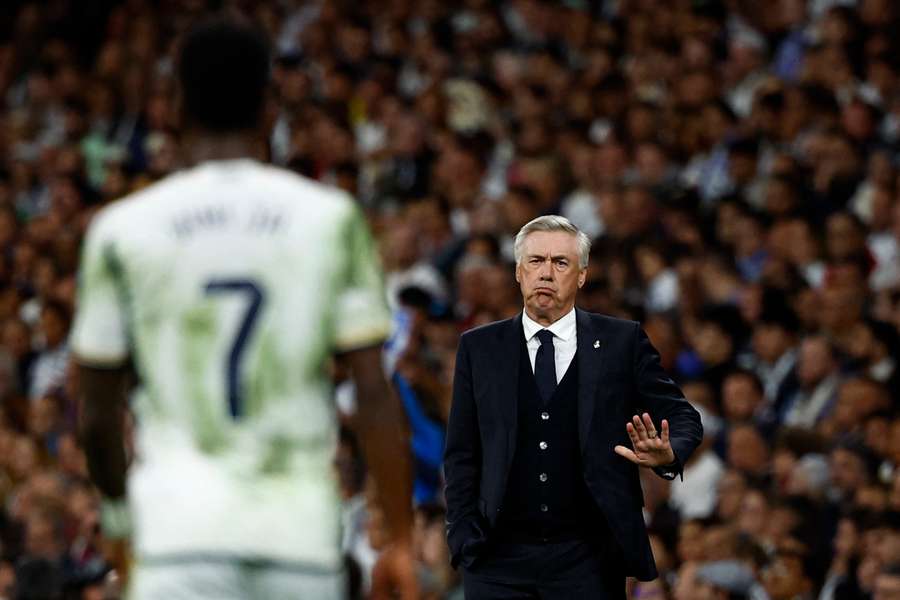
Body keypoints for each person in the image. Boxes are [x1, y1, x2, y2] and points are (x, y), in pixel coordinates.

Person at [70, 16, 415, 600]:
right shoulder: (329, 218)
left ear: (172, 108)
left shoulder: (122, 230)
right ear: (268, 108)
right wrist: (401, 538)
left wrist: (118, 521)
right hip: (297, 535)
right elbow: (373, 393)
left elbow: (98, 414)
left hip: (178, 535)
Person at [444, 215, 703, 598]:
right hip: (496, 558)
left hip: (588, 560)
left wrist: (667, 456)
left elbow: (685, 418)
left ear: (581, 275)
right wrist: (463, 535)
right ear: (518, 271)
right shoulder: (479, 347)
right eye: (535, 261)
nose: (546, 273)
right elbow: (462, 452)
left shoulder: (621, 342)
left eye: (560, 263)